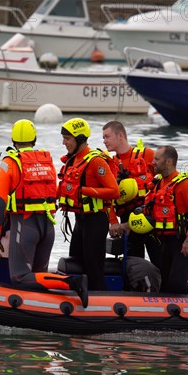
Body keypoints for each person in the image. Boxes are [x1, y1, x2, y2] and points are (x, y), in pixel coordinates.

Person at [0, 119, 88, 307]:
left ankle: (72, 282)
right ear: (34, 139)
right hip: (47, 227)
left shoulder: (8, 163)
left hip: (24, 226)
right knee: (36, 279)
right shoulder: (46, 161)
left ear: (13, 140)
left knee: (19, 277)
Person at [127, 145, 188, 294]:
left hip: (182, 243)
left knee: (176, 285)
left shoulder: (184, 184)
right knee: (164, 284)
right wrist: (126, 225)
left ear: (168, 162)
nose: (152, 162)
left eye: (157, 159)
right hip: (161, 243)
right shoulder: (156, 184)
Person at [57, 118, 120, 290]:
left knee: (94, 268)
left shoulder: (96, 161)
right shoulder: (72, 160)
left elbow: (114, 191)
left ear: (78, 139)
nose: (64, 142)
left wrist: (83, 191)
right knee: (75, 261)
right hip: (80, 220)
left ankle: (101, 303)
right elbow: (63, 189)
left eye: (67, 138)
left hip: (96, 221)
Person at [102, 120, 155, 258]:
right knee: (132, 262)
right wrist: (113, 222)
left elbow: (167, 183)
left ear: (120, 135)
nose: (104, 141)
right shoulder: (108, 164)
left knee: (159, 259)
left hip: (151, 215)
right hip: (127, 220)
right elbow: (106, 198)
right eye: (103, 138)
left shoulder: (147, 154)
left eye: (107, 137)